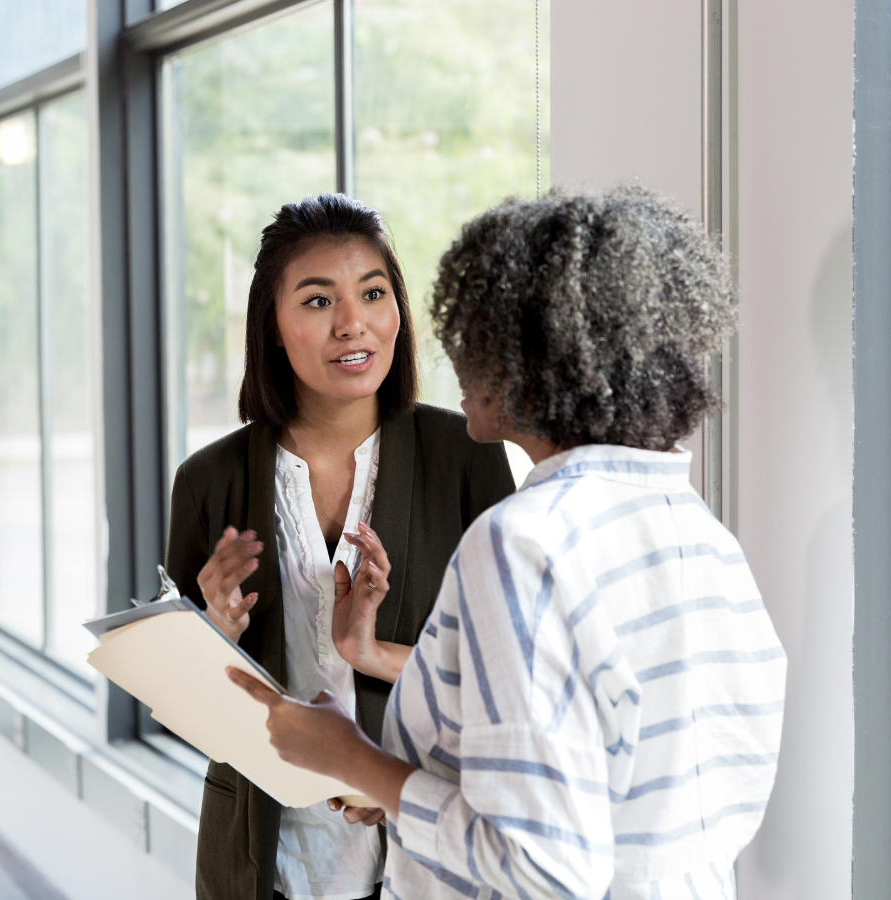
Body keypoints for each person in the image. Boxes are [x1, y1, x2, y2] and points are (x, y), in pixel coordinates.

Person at [229, 187, 787, 900]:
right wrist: (410, 788)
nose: (455, 355)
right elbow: (616, 782)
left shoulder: (522, 543)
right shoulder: (701, 536)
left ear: (536, 356)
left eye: (475, 332)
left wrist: (354, 759)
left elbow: (543, 866)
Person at [165, 193, 515, 900]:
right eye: (318, 301)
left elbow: (507, 679)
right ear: (273, 327)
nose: (353, 324)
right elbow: (183, 713)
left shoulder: (464, 456)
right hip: (264, 859)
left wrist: (375, 703)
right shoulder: (210, 481)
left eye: (373, 293)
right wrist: (214, 635)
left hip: (421, 848)